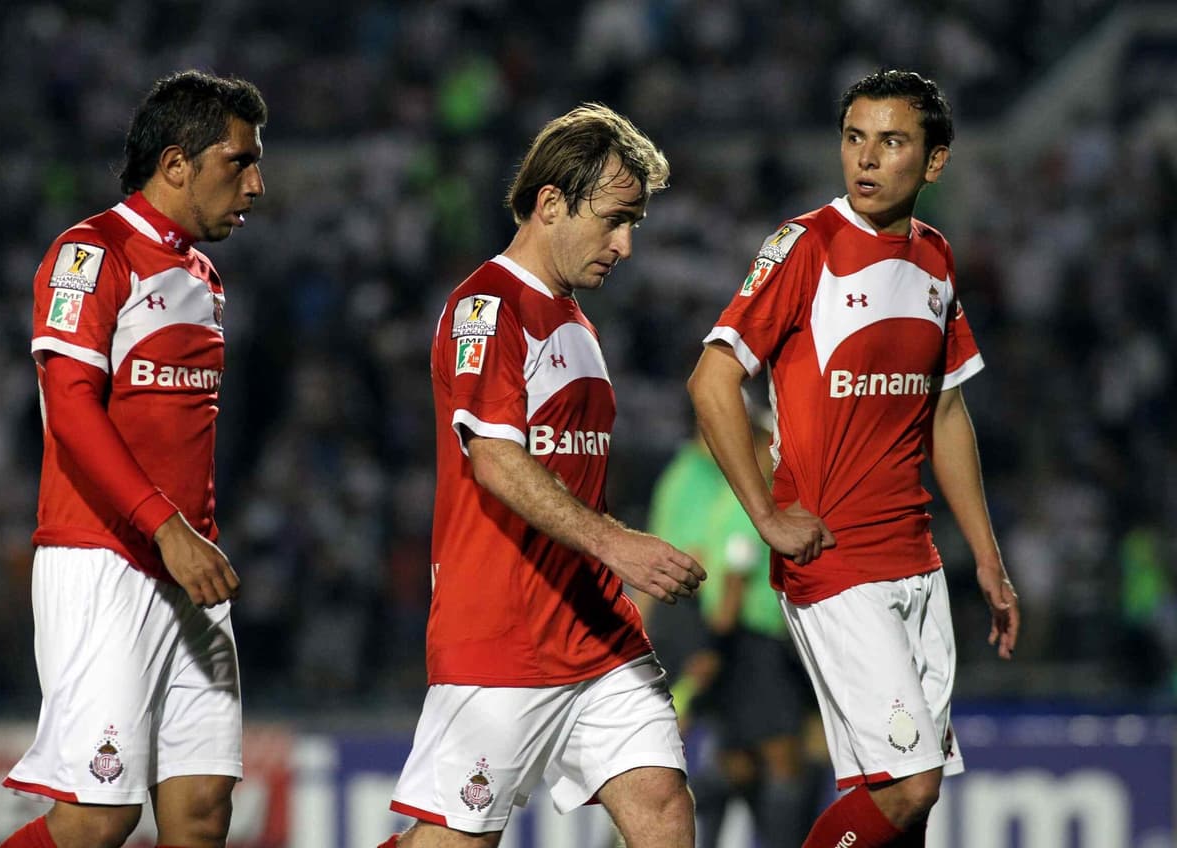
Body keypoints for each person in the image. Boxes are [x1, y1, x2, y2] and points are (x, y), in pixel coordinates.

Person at [687, 69, 1020, 847]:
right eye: (854, 138)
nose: (866, 159)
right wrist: (765, 515)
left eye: (892, 142)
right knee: (910, 784)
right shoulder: (805, 245)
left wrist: (987, 558)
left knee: (905, 809)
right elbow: (711, 380)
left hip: (916, 562)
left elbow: (944, 408)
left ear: (934, 161)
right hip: (835, 562)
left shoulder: (935, 259)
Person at [382, 103, 706, 848]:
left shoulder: (577, 324)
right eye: (616, 219)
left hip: (595, 629)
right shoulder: (486, 308)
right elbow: (492, 459)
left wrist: (607, 557)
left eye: (636, 225)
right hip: (501, 631)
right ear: (551, 203)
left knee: (663, 807)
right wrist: (617, 545)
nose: (625, 246)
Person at [0, 70, 267, 848]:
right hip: (104, 561)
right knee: (97, 816)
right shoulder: (90, 252)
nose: (256, 184)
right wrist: (167, 527)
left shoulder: (203, 277)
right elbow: (71, 410)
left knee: (201, 813)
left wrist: (185, 539)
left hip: (186, 572)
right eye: (238, 162)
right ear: (176, 163)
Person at [644, 405, 821, 848]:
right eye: (763, 445)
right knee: (782, 757)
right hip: (750, 643)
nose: (770, 454)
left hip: (741, 640)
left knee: (740, 757)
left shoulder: (727, 497)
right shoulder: (747, 505)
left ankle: (703, 808)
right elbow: (734, 580)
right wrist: (714, 644)